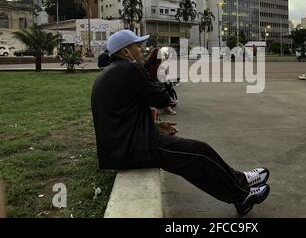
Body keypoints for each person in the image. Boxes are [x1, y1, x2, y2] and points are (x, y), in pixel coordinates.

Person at [91, 30, 270, 216]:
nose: (142, 49)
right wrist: (147, 71)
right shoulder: (131, 69)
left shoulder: (110, 72)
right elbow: (162, 99)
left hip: (123, 147)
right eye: (137, 46)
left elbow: (123, 115)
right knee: (200, 153)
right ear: (126, 51)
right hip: (135, 148)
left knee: (194, 159)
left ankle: (240, 184)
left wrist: (155, 126)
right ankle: (242, 193)